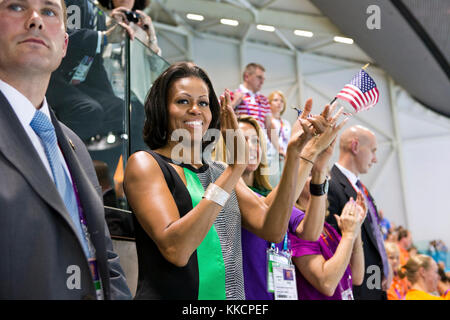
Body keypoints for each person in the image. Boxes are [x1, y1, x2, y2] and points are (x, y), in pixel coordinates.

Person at [123, 62, 345, 299]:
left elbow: (272, 228)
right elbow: (176, 249)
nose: (196, 110)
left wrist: (300, 153)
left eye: (203, 103)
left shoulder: (219, 172)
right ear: (161, 109)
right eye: (183, 101)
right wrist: (235, 169)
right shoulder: (146, 164)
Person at [0, 0, 131, 299]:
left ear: (64, 46)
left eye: (49, 11)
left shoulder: (74, 147)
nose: (35, 20)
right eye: (16, 7)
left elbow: (105, 256)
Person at [46, 0, 132, 144]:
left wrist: (109, 95)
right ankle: (60, 158)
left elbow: (94, 62)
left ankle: (99, 166)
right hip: (52, 77)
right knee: (89, 110)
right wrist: (103, 37)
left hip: (78, 82)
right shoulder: (72, 3)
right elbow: (62, 38)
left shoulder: (96, 9)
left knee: (123, 111)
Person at [326, 125, 390, 300]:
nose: (375, 159)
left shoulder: (362, 189)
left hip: (374, 283)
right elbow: (332, 244)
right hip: (357, 287)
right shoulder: (332, 186)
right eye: (373, 151)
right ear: (355, 146)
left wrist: (383, 270)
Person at [267, 90, 291, 187]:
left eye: (281, 101)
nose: (279, 103)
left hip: (284, 159)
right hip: (271, 159)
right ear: (269, 103)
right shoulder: (266, 121)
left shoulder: (286, 123)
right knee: (272, 187)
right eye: (275, 100)